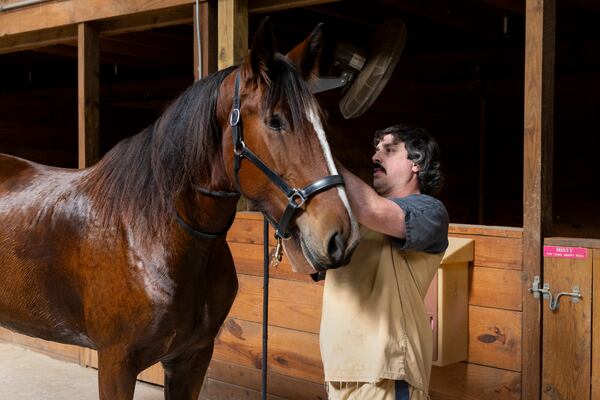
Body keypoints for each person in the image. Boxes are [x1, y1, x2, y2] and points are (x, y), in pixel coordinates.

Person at [319, 124, 449, 400]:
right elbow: (309, 264)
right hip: (340, 369)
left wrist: (319, 154)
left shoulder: (429, 211)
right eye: (376, 150)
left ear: (417, 163)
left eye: (389, 150)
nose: (376, 157)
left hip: (388, 371)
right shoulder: (353, 217)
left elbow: (371, 208)